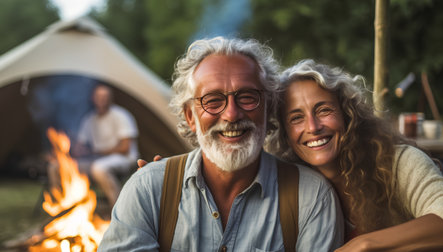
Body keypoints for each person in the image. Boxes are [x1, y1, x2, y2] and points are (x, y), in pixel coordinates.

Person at [98, 37, 344, 251]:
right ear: (190, 116)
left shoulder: (311, 197)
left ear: (268, 107)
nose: (232, 114)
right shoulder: (148, 189)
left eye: (247, 97)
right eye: (213, 101)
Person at [266, 59, 443, 251]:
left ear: (346, 114)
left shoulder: (396, 162)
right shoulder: (290, 188)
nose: (313, 127)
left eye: (324, 110)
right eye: (296, 118)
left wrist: (366, 244)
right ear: (285, 134)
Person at [47, 84, 139, 208]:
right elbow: (80, 146)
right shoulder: (89, 119)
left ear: (111, 98)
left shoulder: (121, 115)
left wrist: (96, 152)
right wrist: (62, 152)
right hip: (96, 159)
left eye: (105, 96)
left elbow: (125, 148)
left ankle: (118, 209)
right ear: (93, 98)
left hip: (124, 158)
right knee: (55, 167)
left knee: (99, 168)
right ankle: (62, 207)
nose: (102, 100)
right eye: (99, 96)